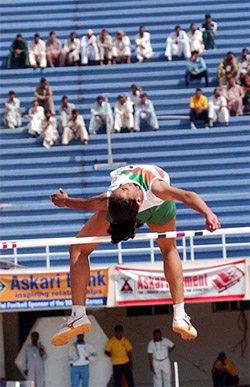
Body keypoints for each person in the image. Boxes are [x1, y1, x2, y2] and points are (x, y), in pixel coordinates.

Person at [50, 164, 220, 347]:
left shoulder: (132, 193)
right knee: (169, 249)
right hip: (154, 208)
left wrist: (66, 201)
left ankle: (78, 316)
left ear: (138, 203)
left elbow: (87, 204)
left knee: (78, 249)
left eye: (124, 188)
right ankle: (179, 315)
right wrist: (208, 214)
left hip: (145, 207)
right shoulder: (136, 193)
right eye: (123, 188)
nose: (123, 186)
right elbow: (187, 196)